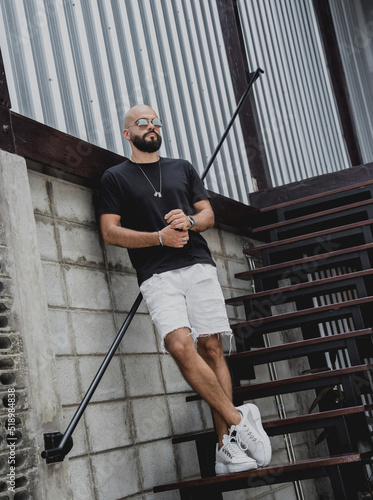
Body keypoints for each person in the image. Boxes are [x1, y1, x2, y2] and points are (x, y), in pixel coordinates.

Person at [98, 104, 271, 475]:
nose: (151, 126)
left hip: (198, 266)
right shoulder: (114, 177)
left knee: (211, 347)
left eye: (156, 122)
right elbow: (110, 232)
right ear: (127, 134)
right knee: (178, 344)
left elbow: (208, 215)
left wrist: (189, 222)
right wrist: (157, 236)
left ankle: (225, 445)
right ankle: (240, 420)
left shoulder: (182, 167)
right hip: (156, 274)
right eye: (141, 123)